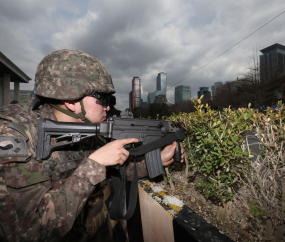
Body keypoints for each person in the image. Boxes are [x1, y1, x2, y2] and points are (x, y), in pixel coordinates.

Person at [0, 49, 184, 242]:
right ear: (71, 100)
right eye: (103, 99)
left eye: (110, 101)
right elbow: (25, 230)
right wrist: (94, 164)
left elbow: (116, 169)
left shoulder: (87, 128)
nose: (108, 107)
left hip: (94, 232)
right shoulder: (16, 133)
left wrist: (158, 160)